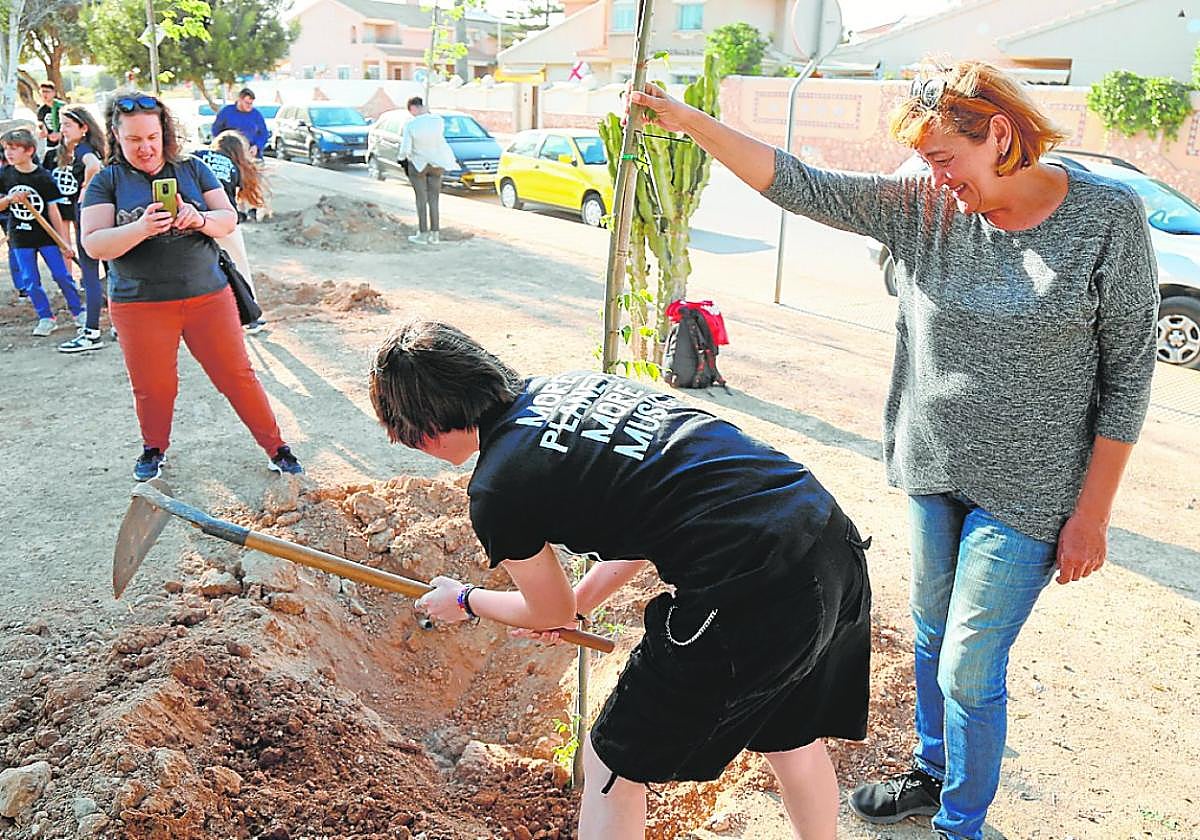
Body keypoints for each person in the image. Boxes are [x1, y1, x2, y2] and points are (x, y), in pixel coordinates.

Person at [630, 59, 1158, 840]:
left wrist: (1093, 516)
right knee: (932, 634)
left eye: (945, 157)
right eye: (925, 161)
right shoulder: (924, 204)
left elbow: (1129, 377)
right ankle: (935, 770)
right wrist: (692, 124)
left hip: (1033, 492)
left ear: (1001, 135)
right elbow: (803, 184)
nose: (932, 175)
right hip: (933, 467)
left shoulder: (1107, 218)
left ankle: (960, 827)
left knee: (969, 669)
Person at [370, 319, 873, 840]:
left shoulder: (498, 488)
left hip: (754, 585)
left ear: (422, 429)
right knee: (788, 736)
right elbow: (652, 508)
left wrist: (468, 600)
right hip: (826, 537)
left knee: (610, 766)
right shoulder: (573, 386)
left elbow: (550, 613)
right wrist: (583, 598)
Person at [79, 91, 303, 481]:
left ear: (164, 132)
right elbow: (94, 243)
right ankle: (154, 448)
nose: (145, 148)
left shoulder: (193, 168)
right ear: (116, 137)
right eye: (133, 140)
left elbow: (227, 219)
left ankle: (277, 447)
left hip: (207, 296)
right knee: (154, 387)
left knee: (237, 376)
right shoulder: (107, 181)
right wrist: (139, 228)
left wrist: (197, 218)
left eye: (151, 137)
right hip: (139, 303)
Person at [0, 128, 82, 336]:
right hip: (20, 236)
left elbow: (53, 210)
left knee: (62, 275)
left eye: (14, 149)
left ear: (29, 151)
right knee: (29, 280)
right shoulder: (5, 175)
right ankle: (46, 317)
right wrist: (9, 200)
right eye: (6, 149)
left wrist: (63, 241)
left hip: (46, 236)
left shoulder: (43, 177)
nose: (8, 153)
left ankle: (78, 311)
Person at [194, 130, 268, 334]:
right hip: (222, 220)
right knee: (239, 264)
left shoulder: (198, 156)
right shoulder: (233, 167)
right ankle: (252, 316)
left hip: (194, 218)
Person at [50, 107, 108, 353]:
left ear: (83, 128)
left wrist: (86, 189)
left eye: (67, 125)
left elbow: (94, 166)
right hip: (100, 214)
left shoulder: (85, 150)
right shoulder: (87, 149)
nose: (62, 129)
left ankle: (92, 331)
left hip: (89, 215)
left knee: (91, 274)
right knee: (110, 272)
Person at [398, 96, 456, 245]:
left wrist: (402, 158)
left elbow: (405, 148)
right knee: (434, 199)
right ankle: (435, 234)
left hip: (419, 164)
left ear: (412, 108)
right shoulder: (438, 120)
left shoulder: (410, 124)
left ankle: (423, 234)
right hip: (437, 163)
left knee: (421, 199)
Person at [211, 88, 269, 162]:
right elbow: (215, 130)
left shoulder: (256, 115)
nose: (249, 106)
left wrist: (257, 146)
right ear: (240, 100)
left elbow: (264, 133)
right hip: (230, 154)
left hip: (250, 154)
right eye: (247, 103)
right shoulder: (226, 112)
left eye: (251, 103)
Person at [36, 82, 67, 154]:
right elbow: (40, 125)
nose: (44, 94)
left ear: (54, 93)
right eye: (42, 91)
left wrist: (60, 134)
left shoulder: (62, 107)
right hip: (50, 144)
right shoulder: (41, 110)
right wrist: (41, 132)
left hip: (64, 142)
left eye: (47, 91)